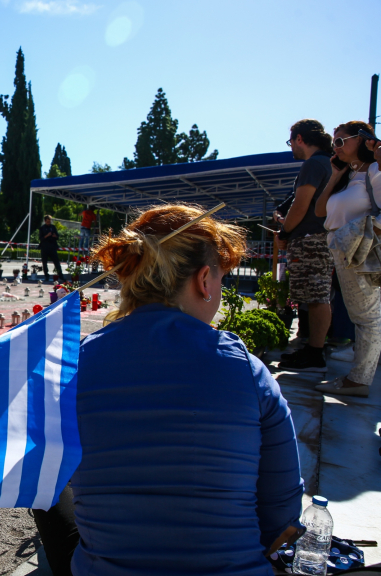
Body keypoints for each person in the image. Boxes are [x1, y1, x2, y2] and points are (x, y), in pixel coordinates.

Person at [33, 205, 304, 576]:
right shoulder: (247, 371)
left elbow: (48, 473)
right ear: (205, 280)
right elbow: (282, 519)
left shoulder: (74, 366)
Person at [314, 121, 381, 398]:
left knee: (367, 318)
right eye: (334, 142)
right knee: (362, 316)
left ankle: (359, 380)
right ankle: (359, 377)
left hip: (360, 251)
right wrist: (333, 176)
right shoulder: (351, 175)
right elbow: (320, 211)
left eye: (341, 141)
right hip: (344, 250)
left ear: (364, 140)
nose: (336, 146)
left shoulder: (375, 172)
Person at [273, 120, 334, 373]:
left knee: (317, 296)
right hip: (321, 237)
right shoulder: (329, 164)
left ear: (300, 139)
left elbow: (300, 205)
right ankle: (313, 348)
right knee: (316, 294)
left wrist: (284, 231)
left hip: (310, 238)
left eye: (291, 142)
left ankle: (314, 352)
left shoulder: (313, 164)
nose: (292, 148)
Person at [38, 215, 64, 282]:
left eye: (49, 221)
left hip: (52, 247)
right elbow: (41, 238)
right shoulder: (42, 228)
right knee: (44, 263)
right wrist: (47, 235)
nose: (49, 222)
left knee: (57, 262)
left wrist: (55, 236)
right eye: (47, 221)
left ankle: (61, 275)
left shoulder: (53, 227)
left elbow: (57, 237)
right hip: (45, 247)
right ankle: (46, 275)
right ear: (45, 221)